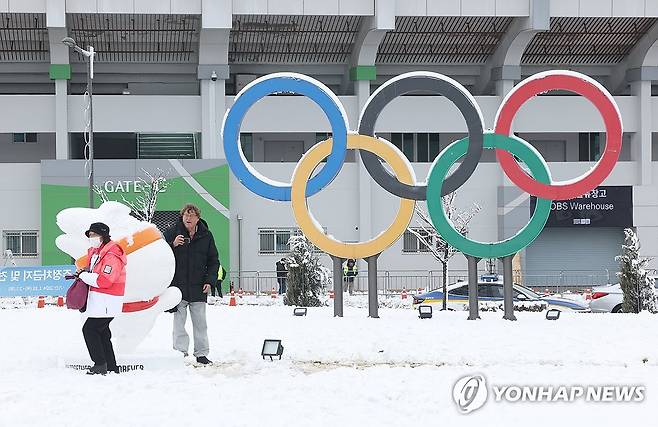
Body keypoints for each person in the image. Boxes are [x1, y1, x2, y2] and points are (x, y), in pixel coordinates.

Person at [164, 204, 219, 365]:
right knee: (179, 323)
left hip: (198, 286)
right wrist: (172, 245)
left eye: (191, 215)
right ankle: (180, 353)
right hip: (178, 288)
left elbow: (213, 261)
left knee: (200, 323)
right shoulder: (172, 232)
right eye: (185, 215)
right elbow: (161, 255)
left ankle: (201, 354)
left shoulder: (206, 236)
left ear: (197, 218)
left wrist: (210, 281)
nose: (188, 218)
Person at [77, 222, 127, 375]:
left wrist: (83, 276)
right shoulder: (97, 252)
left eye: (94, 235)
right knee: (102, 332)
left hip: (108, 299)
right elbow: (96, 272)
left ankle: (99, 364)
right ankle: (110, 365)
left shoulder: (112, 254)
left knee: (90, 329)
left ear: (103, 235)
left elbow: (104, 280)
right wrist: (85, 271)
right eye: (90, 235)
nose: (91, 238)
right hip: (101, 300)